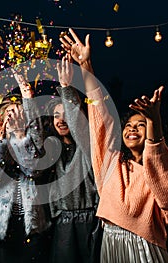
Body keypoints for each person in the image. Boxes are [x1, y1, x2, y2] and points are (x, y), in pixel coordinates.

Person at [60, 28, 168, 262]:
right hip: (110, 244)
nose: (132, 128)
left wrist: (154, 121)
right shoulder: (111, 162)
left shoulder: (159, 168)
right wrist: (86, 68)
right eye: (129, 125)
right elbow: (99, 120)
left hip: (144, 247)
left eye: (141, 125)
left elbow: (164, 193)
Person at [0, 70, 52, 263]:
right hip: (2, 226)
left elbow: (34, 171)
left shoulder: (31, 141)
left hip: (31, 226)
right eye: (8, 112)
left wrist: (20, 138)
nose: (13, 115)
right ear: (0, 116)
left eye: (18, 111)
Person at [43, 54, 101, 263]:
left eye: (65, 113)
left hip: (87, 219)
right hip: (61, 221)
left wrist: (66, 87)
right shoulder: (51, 150)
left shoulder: (87, 147)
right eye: (56, 115)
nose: (61, 120)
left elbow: (80, 127)